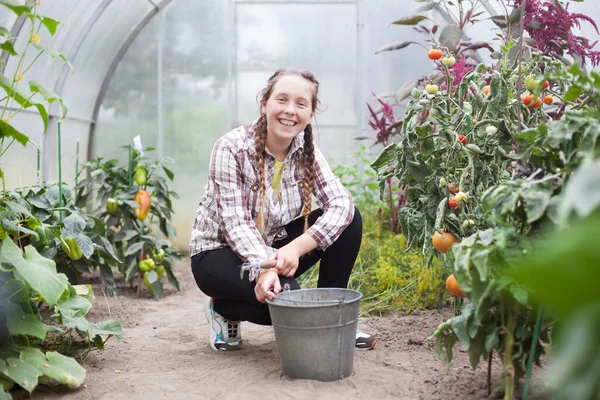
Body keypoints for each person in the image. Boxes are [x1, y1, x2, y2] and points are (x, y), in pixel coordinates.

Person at [189, 68, 375, 352]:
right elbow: (236, 223)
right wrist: (264, 271)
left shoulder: (306, 149)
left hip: (272, 245)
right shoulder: (231, 148)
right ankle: (222, 308)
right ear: (264, 104)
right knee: (283, 300)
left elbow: (342, 203)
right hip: (218, 252)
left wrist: (297, 248)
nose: (290, 110)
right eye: (282, 100)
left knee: (351, 222)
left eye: (301, 104)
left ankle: (333, 317)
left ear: (310, 114)